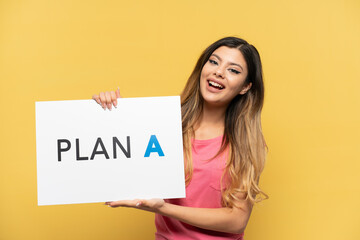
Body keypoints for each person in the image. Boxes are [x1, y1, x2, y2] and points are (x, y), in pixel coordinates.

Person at [93, 37, 268, 239]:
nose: (218, 72)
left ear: (245, 87)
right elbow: (120, 156)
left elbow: (237, 220)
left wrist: (163, 208)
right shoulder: (164, 126)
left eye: (233, 70)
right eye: (213, 62)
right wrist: (110, 114)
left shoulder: (247, 143)